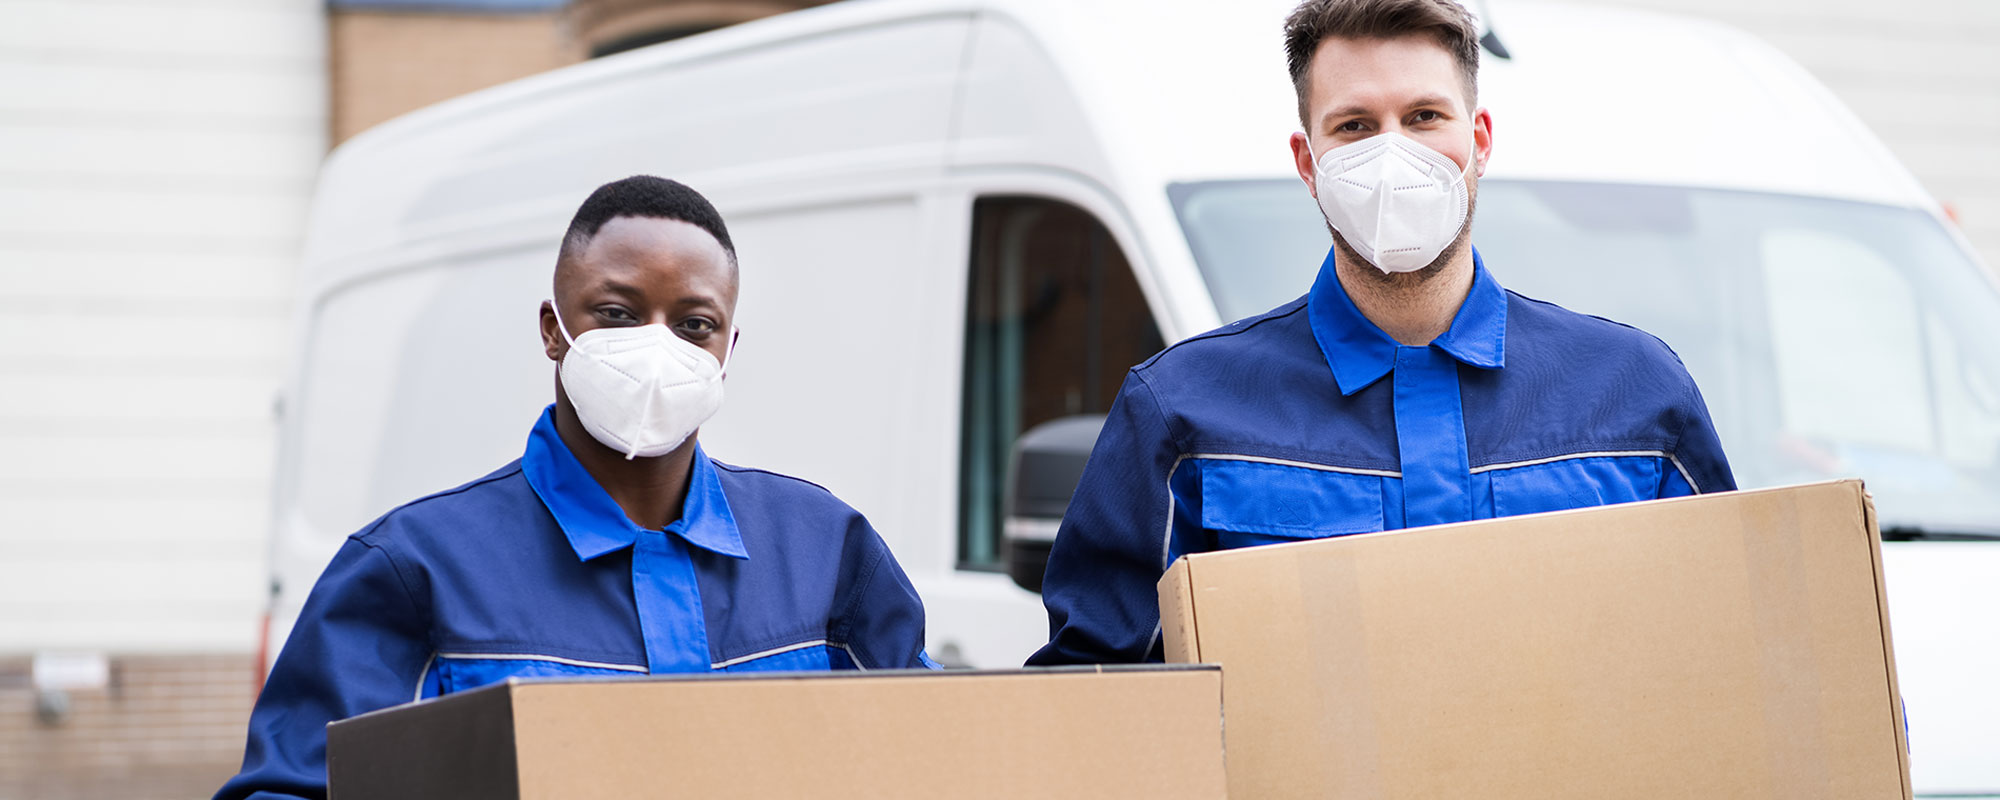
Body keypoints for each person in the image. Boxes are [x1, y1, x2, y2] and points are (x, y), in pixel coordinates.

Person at [1028, 0, 1734, 666]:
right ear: (1309, 164)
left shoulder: (1636, 395)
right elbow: (1099, 709)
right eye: (1355, 126)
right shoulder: (1181, 414)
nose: (1394, 157)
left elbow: (1735, 656)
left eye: (1425, 116)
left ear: (1478, 141)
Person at [218, 176, 935, 799]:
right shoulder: (414, 570)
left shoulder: (823, 550)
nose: (658, 349)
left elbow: (942, 754)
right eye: (617, 314)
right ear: (553, 330)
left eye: (695, 324)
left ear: (728, 349)